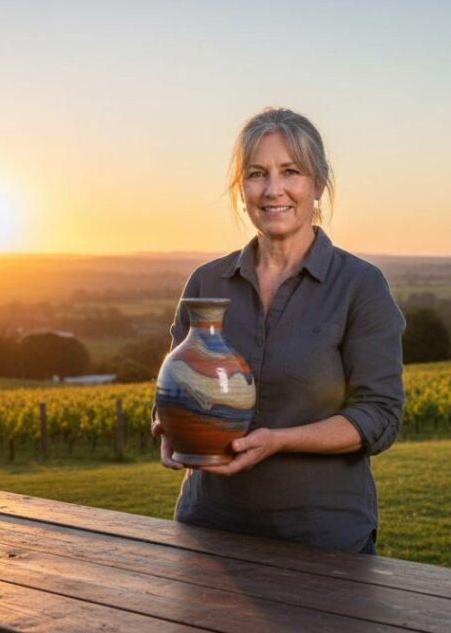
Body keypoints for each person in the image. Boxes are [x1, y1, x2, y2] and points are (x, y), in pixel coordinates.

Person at [151, 107, 406, 555]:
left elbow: (380, 416)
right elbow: (171, 394)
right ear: (241, 187)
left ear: (318, 184)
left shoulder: (360, 286)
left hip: (323, 538)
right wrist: (166, 428)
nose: (273, 190)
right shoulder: (206, 283)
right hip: (209, 529)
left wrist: (280, 441)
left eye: (291, 171)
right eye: (256, 174)